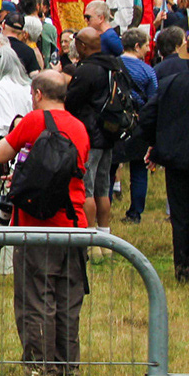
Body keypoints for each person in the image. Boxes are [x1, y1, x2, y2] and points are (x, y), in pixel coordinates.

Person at [0, 70, 89, 376]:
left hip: (37, 222)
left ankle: (39, 368)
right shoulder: (80, 127)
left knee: (36, 298)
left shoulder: (34, 121)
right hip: (74, 223)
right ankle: (66, 367)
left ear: (36, 94)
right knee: (67, 299)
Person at [63, 27, 124, 230]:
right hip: (109, 133)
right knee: (103, 187)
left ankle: (89, 238)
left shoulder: (87, 70)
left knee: (86, 189)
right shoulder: (114, 65)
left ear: (82, 46)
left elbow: (71, 101)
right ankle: (105, 233)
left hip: (89, 135)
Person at [145, 55, 189, 280]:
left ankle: (182, 265)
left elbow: (148, 116)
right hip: (182, 156)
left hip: (177, 159)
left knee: (180, 214)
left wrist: (155, 144)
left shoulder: (170, 83)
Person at [119, 26, 160, 224]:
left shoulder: (113, 64)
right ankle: (135, 213)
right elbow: (154, 100)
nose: (147, 49)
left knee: (108, 169)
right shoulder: (148, 71)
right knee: (139, 170)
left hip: (115, 123)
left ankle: (105, 206)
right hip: (139, 124)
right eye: (145, 45)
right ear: (136, 46)